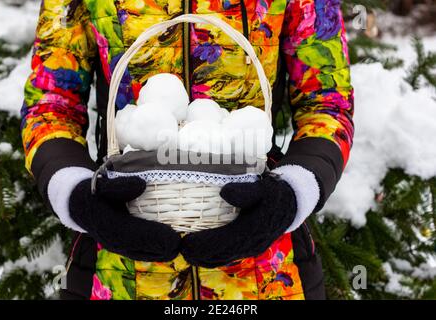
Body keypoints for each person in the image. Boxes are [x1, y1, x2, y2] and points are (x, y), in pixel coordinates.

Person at [21, 0, 354, 300]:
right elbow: (51, 105)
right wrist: (77, 196)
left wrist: (292, 195)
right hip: (119, 271)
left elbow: (327, 103)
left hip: (265, 274)